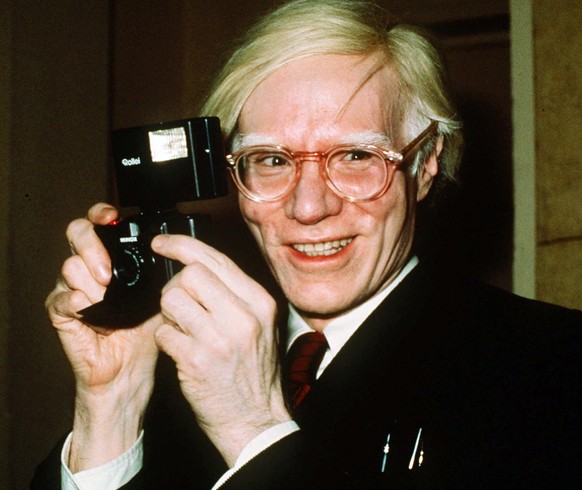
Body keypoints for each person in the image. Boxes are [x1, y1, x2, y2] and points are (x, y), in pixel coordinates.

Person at [33, 0, 582, 488]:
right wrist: (112, 406)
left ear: (424, 165)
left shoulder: (550, 372)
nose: (308, 207)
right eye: (272, 161)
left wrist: (253, 431)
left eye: (357, 156)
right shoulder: (188, 359)